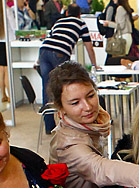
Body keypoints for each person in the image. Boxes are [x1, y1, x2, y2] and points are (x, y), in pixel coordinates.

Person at [38, 4, 98, 133]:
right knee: (65, 88)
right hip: (59, 53)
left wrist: (38, 62)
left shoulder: (59, 21)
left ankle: (49, 127)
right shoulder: (81, 23)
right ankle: (69, 125)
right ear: (79, 14)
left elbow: (50, 38)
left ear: (66, 13)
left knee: (47, 87)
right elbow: (89, 47)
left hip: (43, 51)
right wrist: (94, 65)